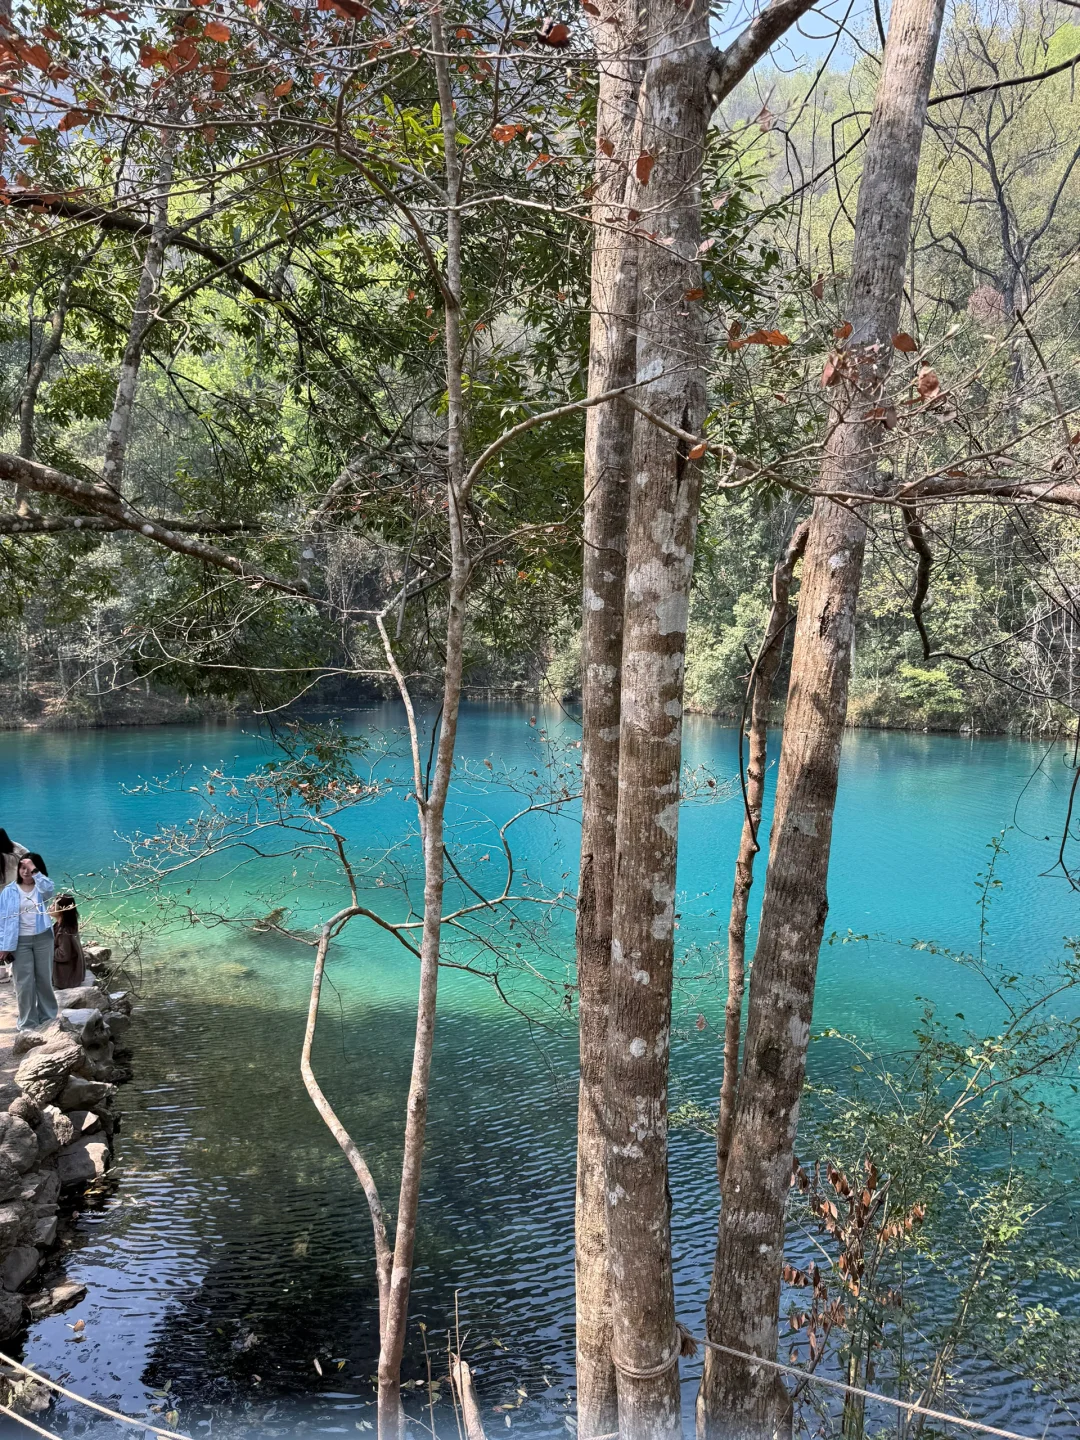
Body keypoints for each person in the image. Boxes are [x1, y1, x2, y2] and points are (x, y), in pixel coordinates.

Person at [0, 853, 59, 1031]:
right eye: (22, 867)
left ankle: (48, 1018)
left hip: (43, 938)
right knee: (23, 983)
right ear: (18, 869)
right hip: (18, 942)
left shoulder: (41, 888)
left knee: (44, 980)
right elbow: (2, 919)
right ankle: (27, 1023)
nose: (26, 871)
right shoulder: (9, 891)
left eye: (30, 868)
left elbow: (50, 890)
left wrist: (36, 872)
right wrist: (2, 946)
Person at [51, 894, 86, 990]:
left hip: (66, 978)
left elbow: (63, 954)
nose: (50, 907)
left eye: (54, 905)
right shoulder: (62, 925)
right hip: (70, 975)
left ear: (62, 909)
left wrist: (45, 949)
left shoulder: (64, 930)